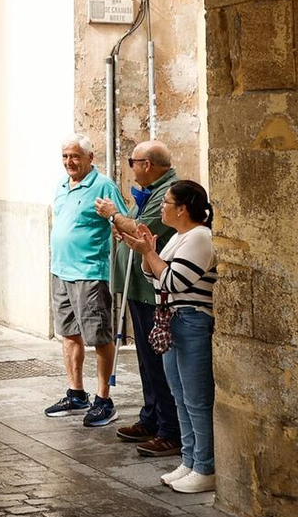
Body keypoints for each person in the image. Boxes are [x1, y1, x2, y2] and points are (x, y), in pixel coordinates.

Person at [127, 180, 217, 493]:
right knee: (179, 395)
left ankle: (205, 466)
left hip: (191, 320)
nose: (161, 207)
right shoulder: (180, 237)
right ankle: (190, 459)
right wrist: (147, 252)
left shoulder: (200, 237)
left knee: (196, 399)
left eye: (166, 202)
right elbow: (153, 276)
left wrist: (149, 253)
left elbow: (173, 281)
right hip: (171, 320)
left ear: (182, 208)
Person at [94, 140, 181, 457]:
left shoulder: (168, 191)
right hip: (138, 287)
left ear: (147, 165)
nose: (130, 166)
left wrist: (114, 215)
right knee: (146, 359)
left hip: (151, 289)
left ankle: (169, 427)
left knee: (157, 360)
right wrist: (121, 226)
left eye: (133, 161)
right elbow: (131, 227)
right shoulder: (150, 190)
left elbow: (143, 228)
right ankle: (151, 417)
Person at [44, 134, 125, 427]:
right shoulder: (62, 186)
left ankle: (104, 399)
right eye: (65, 156)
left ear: (90, 158)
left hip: (90, 273)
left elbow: (120, 219)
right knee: (68, 334)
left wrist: (116, 226)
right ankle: (77, 394)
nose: (70, 162)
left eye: (75, 156)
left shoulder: (103, 185)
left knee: (99, 337)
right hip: (60, 271)